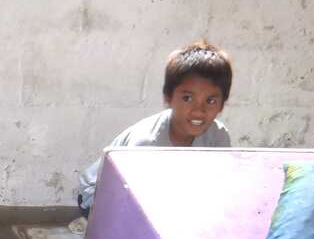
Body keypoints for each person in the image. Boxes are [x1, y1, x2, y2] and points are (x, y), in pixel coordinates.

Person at [77, 40, 234, 217]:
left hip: (160, 195)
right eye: (188, 98)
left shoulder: (218, 137)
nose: (199, 110)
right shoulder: (145, 143)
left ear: (222, 105)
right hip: (101, 194)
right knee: (133, 231)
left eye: (210, 101)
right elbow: (131, 199)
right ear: (168, 97)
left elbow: (214, 188)